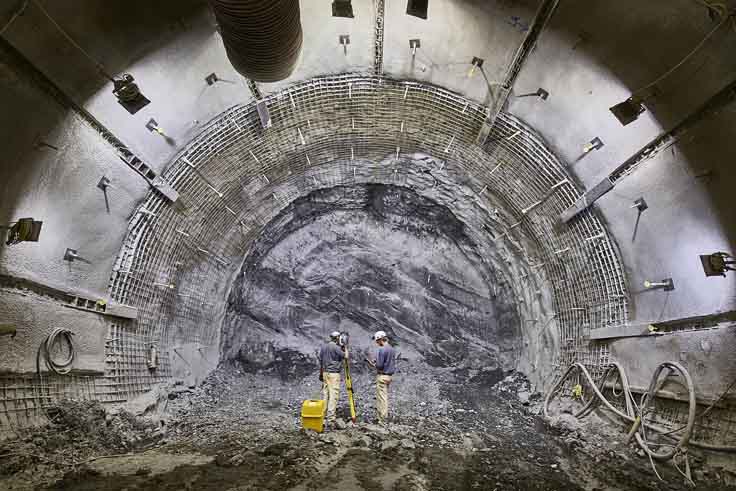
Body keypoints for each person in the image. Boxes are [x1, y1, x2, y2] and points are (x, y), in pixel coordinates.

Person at [369, 330, 396, 425]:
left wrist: (373, 363)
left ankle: (382, 419)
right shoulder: (392, 349)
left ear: (380, 339)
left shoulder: (382, 349)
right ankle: (381, 418)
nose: (376, 343)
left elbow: (380, 365)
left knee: (382, 398)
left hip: (382, 376)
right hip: (389, 376)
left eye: (377, 341)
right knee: (383, 397)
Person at [319, 331, 344, 426]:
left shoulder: (324, 347)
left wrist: (321, 374)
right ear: (337, 338)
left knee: (325, 395)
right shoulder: (336, 347)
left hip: (325, 373)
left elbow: (321, 361)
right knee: (333, 395)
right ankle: (331, 418)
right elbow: (345, 356)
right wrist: (345, 348)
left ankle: (323, 415)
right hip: (334, 374)